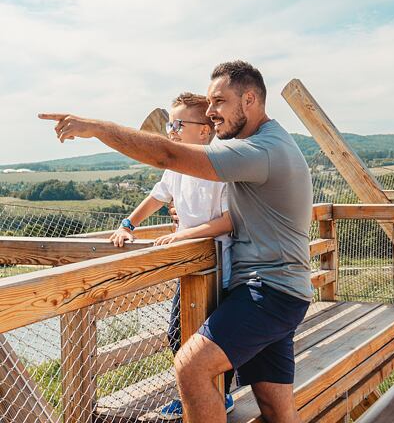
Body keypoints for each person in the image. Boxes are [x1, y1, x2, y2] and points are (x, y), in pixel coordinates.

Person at [39, 60, 313, 423]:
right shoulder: (266, 144)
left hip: (267, 291)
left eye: (219, 102)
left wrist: (97, 128)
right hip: (281, 289)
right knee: (276, 408)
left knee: (191, 367)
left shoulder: (260, 150)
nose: (212, 112)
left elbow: (168, 155)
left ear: (249, 99)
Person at [108, 92, 235, 420]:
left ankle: (218, 396)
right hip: (188, 264)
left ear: (204, 131)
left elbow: (229, 219)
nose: (171, 129)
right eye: (169, 123)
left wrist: (183, 234)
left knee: (213, 337)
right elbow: (155, 198)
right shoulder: (176, 167)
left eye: (179, 123)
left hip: (219, 266)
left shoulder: (220, 167)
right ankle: (196, 395)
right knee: (178, 333)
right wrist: (127, 225)